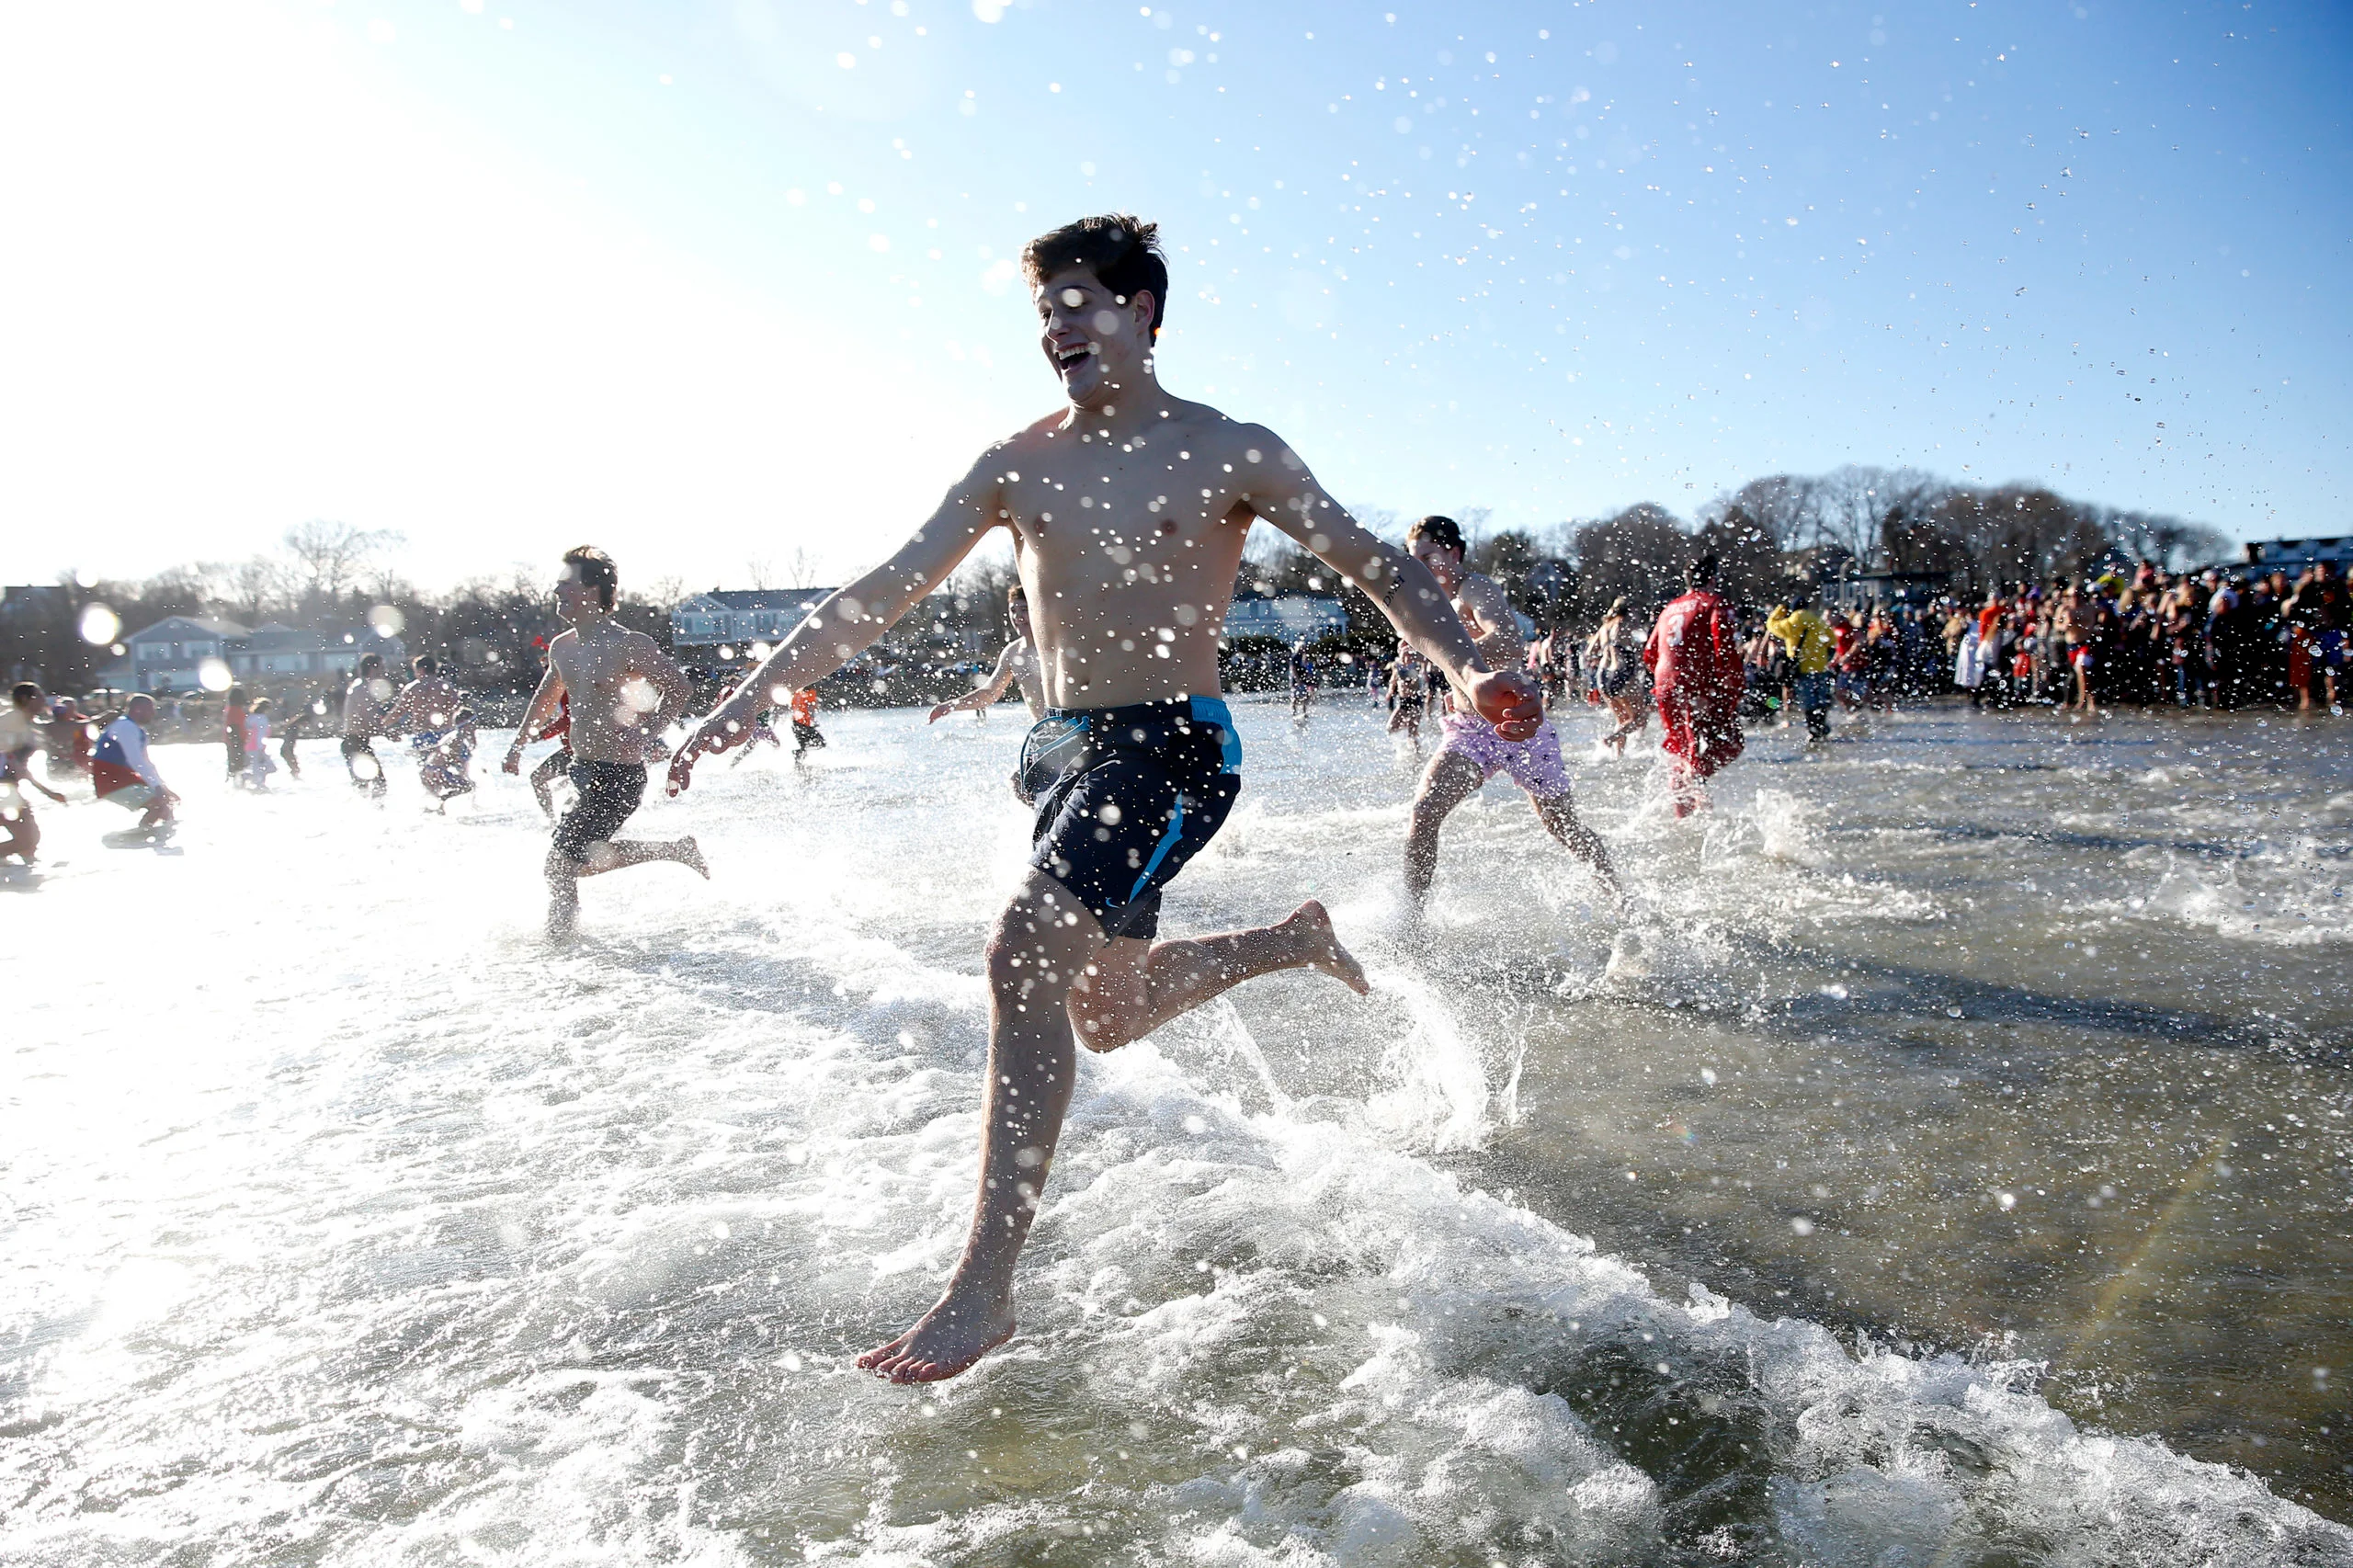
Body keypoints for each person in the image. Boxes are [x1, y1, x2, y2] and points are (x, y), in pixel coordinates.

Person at [665, 213, 1543, 1385]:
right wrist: (761, 689)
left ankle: (982, 1288)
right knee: (1106, 1015)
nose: (1056, 327)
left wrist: (1463, 667)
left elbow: (1373, 568)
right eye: (1043, 311)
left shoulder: (1234, 451)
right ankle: (1291, 938)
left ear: (1142, 313)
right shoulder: (1014, 462)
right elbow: (884, 586)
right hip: (1060, 753)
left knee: (1021, 948)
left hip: (1175, 745)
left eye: (1078, 301)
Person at [1399, 515, 1619, 912]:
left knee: (1562, 825)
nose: (1422, 569)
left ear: (1454, 553)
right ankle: (1412, 923)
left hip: (1521, 727)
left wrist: (1435, 647)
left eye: (1429, 558)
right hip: (1469, 731)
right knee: (1424, 814)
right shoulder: (1438, 604)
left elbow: (1509, 641)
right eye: (1414, 561)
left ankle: (1622, 900)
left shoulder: (1474, 587)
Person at [502, 546, 706, 937]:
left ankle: (561, 942)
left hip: (619, 775)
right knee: (573, 863)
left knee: (559, 866)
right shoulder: (562, 646)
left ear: (592, 591)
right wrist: (518, 744)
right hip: (582, 769)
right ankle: (674, 850)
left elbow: (679, 687)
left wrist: (649, 733)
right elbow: (546, 696)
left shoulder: (628, 643)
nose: (556, 591)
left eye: (565, 583)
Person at [1644, 552, 1745, 817]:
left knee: (1679, 749)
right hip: (1697, 686)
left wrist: (1667, 681)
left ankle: (1683, 816)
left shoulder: (1670, 607)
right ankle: (1699, 779)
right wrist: (1731, 688)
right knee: (1732, 742)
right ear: (1713, 579)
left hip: (1665, 685)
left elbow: (1649, 653)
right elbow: (1724, 648)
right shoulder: (1714, 603)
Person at [930, 585, 1047, 726]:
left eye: (1024, 609)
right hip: (1042, 733)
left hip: (1073, 731)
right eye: (1013, 610)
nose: (1018, 617)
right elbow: (990, 694)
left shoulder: (1055, 647)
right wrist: (950, 706)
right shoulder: (1012, 652)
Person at [2, 683, 69, 864]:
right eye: (39, 696)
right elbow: (13, 763)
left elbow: (19, 767)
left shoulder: (25, 723)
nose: (43, 700)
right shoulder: (11, 723)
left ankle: (27, 877)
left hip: (9, 789)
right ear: (25, 699)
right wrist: (48, 792)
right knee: (28, 840)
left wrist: (48, 792)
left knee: (29, 843)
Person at [92, 694, 177, 835]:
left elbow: (147, 763)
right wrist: (157, 788)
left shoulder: (135, 729)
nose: (153, 713)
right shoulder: (126, 726)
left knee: (167, 803)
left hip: (123, 778)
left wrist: (162, 787)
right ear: (138, 709)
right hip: (111, 782)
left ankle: (163, 834)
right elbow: (136, 761)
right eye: (151, 709)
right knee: (159, 804)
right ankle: (142, 836)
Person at [1584, 597, 1650, 755]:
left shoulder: (1604, 627)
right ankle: (1609, 739)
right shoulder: (1626, 624)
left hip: (1603, 676)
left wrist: (1606, 654)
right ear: (1629, 610)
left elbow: (1589, 652)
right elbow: (1641, 650)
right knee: (1641, 718)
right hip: (1622, 673)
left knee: (1622, 719)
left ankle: (1618, 756)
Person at [1765, 593, 1835, 741]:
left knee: (1809, 700)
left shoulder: (1791, 623)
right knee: (1821, 699)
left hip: (1802, 668)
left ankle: (1814, 729)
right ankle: (1822, 725)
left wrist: (1781, 608)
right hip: (1820, 667)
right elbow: (1832, 641)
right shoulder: (1819, 622)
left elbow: (1771, 624)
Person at [342, 653, 392, 797]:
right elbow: (369, 721)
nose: (384, 671)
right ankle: (373, 814)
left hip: (356, 743)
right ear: (372, 668)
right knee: (377, 784)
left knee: (368, 785)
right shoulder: (363, 689)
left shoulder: (361, 686)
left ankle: (370, 812)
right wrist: (387, 733)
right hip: (355, 744)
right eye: (381, 667)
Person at [418, 708, 478, 809]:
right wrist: (467, 780)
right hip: (437, 773)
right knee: (468, 787)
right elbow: (462, 767)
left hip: (427, 772)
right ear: (468, 724)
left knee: (436, 806)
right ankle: (472, 808)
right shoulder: (458, 740)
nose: (476, 726)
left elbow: (436, 750)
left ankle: (436, 807)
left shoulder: (452, 736)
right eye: (475, 723)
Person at [528, 689, 574, 819]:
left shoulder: (569, 687)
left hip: (578, 751)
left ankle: (554, 820)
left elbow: (569, 718)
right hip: (570, 749)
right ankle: (552, 820)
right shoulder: (559, 690)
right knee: (537, 777)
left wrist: (543, 734)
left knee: (537, 778)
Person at [1387, 640, 1429, 753]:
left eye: (1407, 648)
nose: (1404, 651)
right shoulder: (1396, 664)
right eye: (1401, 648)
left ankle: (1418, 756)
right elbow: (1394, 678)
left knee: (1412, 734)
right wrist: (1390, 691)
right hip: (1403, 701)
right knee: (1390, 728)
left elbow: (1417, 682)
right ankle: (1399, 750)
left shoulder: (1416, 664)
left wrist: (1410, 681)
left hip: (1415, 701)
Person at [244, 697, 278, 790]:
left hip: (249, 746)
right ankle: (258, 784)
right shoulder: (261, 718)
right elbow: (260, 733)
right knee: (264, 767)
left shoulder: (250, 717)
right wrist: (260, 747)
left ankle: (251, 779)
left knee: (260, 766)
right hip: (257, 747)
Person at [222, 685, 249, 784]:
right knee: (237, 762)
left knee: (234, 762)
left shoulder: (231, 709)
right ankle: (238, 783)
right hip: (236, 740)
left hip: (234, 739)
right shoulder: (235, 710)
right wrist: (238, 741)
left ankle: (236, 781)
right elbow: (234, 726)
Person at [789, 687, 826, 756]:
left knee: (803, 746)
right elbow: (810, 707)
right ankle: (799, 752)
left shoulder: (797, 692)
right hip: (804, 725)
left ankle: (799, 758)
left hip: (795, 724)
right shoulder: (810, 693)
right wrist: (813, 720)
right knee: (822, 743)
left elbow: (793, 707)